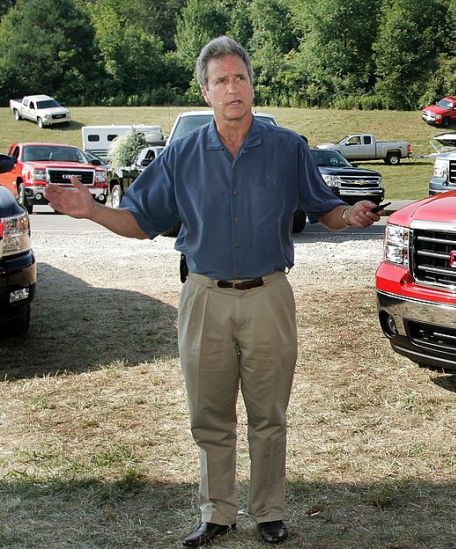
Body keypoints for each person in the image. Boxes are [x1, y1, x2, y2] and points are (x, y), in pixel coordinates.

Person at [44, 36, 385, 547]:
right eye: (221, 80)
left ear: (252, 85)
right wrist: (92, 210)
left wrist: (350, 216)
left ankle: (268, 510)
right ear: (205, 92)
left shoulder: (288, 148)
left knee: (269, 414)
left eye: (240, 77)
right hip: (204, 297)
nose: (233, 88)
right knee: (210, 415)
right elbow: (140, 221)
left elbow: (325, 210)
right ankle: (217, 513)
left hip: (269, 295)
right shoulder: (181, 154)